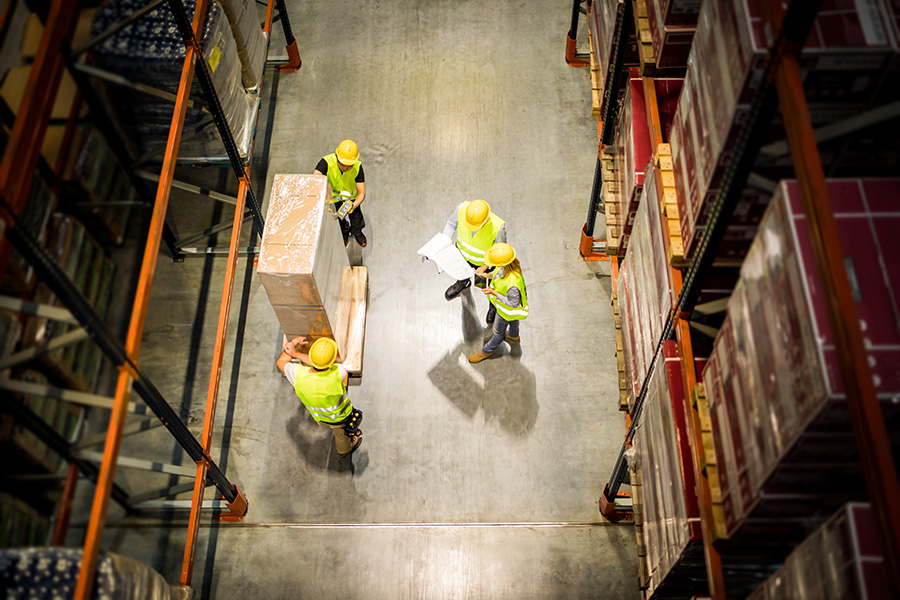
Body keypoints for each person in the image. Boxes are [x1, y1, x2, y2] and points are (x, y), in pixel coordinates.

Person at [276, 336, 363, 457]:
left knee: (334, 427)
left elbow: (281, 362)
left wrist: (293, 348)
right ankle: (345, 449)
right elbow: (323, 366)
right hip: (340, 417)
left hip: (319, 416)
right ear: (331, 362)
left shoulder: (297, 375)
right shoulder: (338, 372)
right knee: (341, 435)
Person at [442, 199, 507, 319]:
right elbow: (451, 224)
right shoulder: (461, 209)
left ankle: (493, 304)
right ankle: (463, 282)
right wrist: (443, 243)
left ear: (485, 220)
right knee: (461, 273)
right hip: (462, 256)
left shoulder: (498, 228)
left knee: (488, 286)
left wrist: (486, 268)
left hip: (483, 265)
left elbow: (499, 254)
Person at [468, 243, 529, 364]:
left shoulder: (512, 283)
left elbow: (513, 303)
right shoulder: (509, 265)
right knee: (513, 320)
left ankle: (487, 351)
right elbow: (497, 273)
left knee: (498, 333)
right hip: (512, 313)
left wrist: (493, 292)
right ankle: (513, 336)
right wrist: (487, 275)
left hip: (506, 311)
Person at [314, 139, 367, 247]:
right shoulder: (326, 162)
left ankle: (357, 232)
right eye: (343, 164)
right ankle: (344, 231)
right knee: (338, 221)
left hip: (351, 201)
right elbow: (315, 178)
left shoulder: (357, 167)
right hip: (334, 201)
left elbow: (361, 193)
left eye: (350, 165)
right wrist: (325, 187)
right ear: (337, 157)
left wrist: (354, 205)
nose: (346, 168)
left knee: (357, 220)